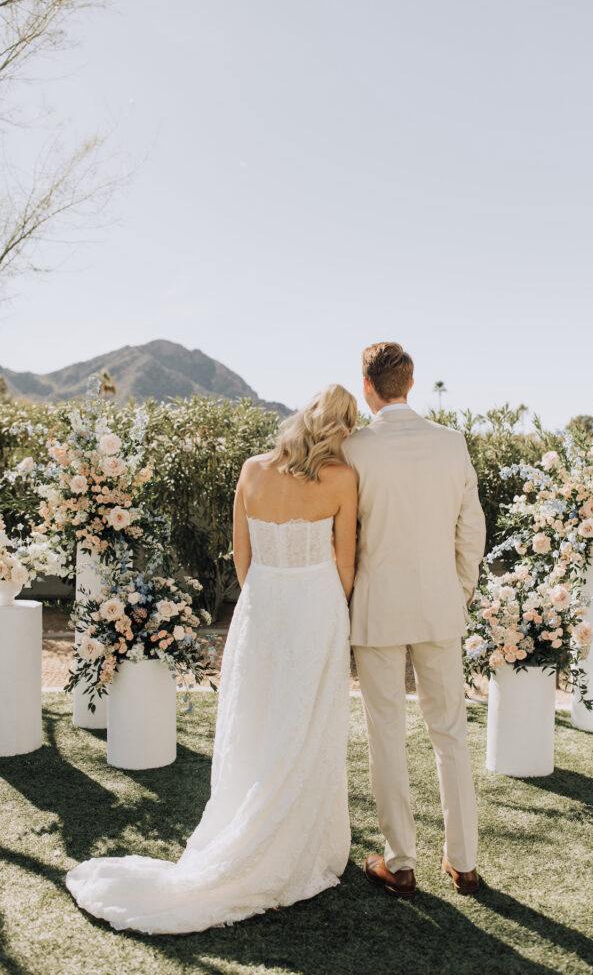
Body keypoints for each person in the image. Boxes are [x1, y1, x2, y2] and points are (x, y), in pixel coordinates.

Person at [66, 384, 358, 934]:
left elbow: (242, 560)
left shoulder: (251, 469)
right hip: (317, 606)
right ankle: (294, 841)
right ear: (339, 429)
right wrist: (330, 608)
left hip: (261, 607)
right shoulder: (342, 479)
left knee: (256, 718)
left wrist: (266, 602)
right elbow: (345, 563)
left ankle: (244, 823)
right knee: (307, 720)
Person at [343, 342, 486, 899]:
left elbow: (344, 536)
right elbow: (469, 528)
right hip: (438, 605)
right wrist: (459, 593)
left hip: (376, 608)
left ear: (367, 386)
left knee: (386, 734)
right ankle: (465, 863)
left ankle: (400, 864)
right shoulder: (451, 443)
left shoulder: (354, 447)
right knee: (450, 732)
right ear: (411, 382)